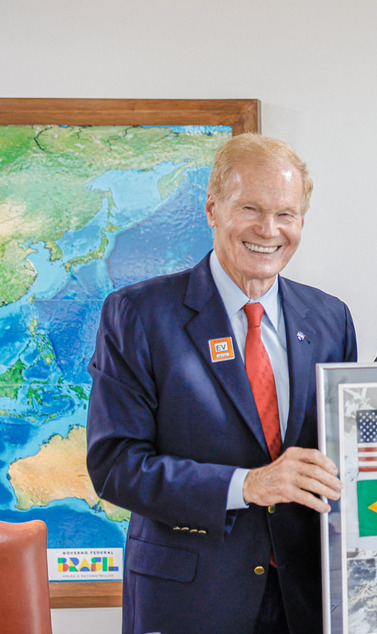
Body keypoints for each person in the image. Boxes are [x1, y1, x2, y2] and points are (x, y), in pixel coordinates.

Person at [86, 133, 356, 633]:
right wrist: (247, 485)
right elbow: (115, 465)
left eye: (286, 214)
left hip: (307, 599)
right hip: (191, 599)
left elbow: (342, 452)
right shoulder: (138, 315)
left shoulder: (329, 318)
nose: (268, 230)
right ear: (212, 209)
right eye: (250, 208)